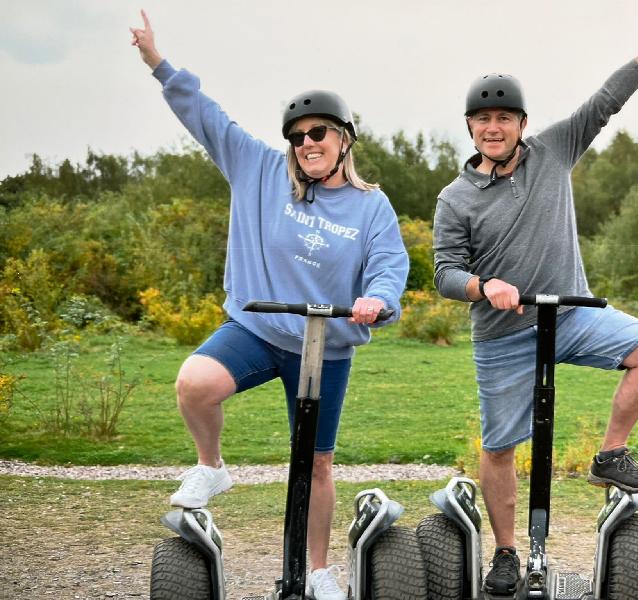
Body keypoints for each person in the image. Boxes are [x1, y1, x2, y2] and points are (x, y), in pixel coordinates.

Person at [130, 11, 408, 600]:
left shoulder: (371, 207)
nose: (306, 144)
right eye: (298, 135)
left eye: (318, 134)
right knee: (195, 384)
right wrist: (159, 64)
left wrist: (376, 301)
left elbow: (389, 267)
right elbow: (206, 117)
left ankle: (316, 572)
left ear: (343, 140)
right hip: (257, 331)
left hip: (325, 346)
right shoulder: (259, 169)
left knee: (316, 465)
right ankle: (212, 467)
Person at [433, 2, 638, 595]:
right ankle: (505, 555)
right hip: (502, 336)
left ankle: (610, 453)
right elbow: (445, 273)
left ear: (522, 123)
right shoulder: (455, 198)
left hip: (571, 314)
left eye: (505, 117)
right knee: (499, 447)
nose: (493, 127)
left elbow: (606, 100)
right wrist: (484, 286)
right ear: (470, 127)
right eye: (483, 119)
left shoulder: (553, 152)